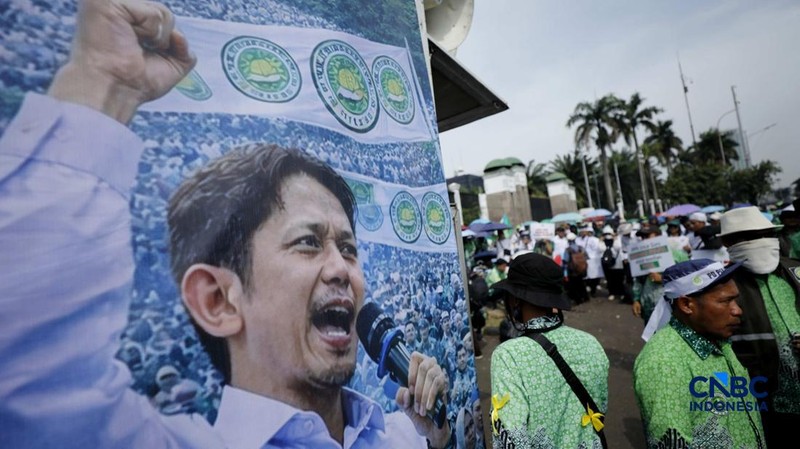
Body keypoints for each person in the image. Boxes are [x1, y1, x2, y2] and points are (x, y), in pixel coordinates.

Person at [0, 1, 452, 448]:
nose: (343, 270)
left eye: (349, 249)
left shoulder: (400, 436)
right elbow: (31, 378)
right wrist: (100, 83)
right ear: (218, 300)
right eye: (308, 242)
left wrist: (435, 432)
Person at [633, 259, 766, 448]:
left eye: (735, 299)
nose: (737, 310)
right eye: (725, 301)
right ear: (687, 304)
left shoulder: (719, 341)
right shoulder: (664, 362)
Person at [489, 253, 609, 449]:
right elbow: (600, 410)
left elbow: (510, 436)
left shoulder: (508, 355)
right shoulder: (591, 343)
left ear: (515, 300)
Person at [720, 206, 800, 448]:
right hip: (762, 398)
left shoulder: (795, 270)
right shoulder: (722, 285)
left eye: (763, 234)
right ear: (728, 243)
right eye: (745, 238)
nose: (757, 242)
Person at [632, 224, 689, 325]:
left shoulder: (677, 255)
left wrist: (664, 278)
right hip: (648, 305)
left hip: (672, 306)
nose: (644, 240)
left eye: (647, 236)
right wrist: (636, 300)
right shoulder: (641, 257)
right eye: (642, 237)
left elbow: (688, 278)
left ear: (659, 236)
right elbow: (638, 280)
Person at [577, 224, 604, 297]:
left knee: (594, 276)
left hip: (593, 260)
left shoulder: (593, 239)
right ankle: (589, 288)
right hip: (583, 259)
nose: (582, 232)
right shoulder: (578, 239)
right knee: (585, 276)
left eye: (584, 231)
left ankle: (593, 290)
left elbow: (597, 249)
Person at [563, 232, 590, 305]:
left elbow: (565, 261)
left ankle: (578, 300)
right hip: (581, 269)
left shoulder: (568, 250)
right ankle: (585, 297)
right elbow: (587, 257)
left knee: (573, 285)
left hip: (572, 270)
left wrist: (565, 273)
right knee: (581, 283)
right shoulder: (581, 248)